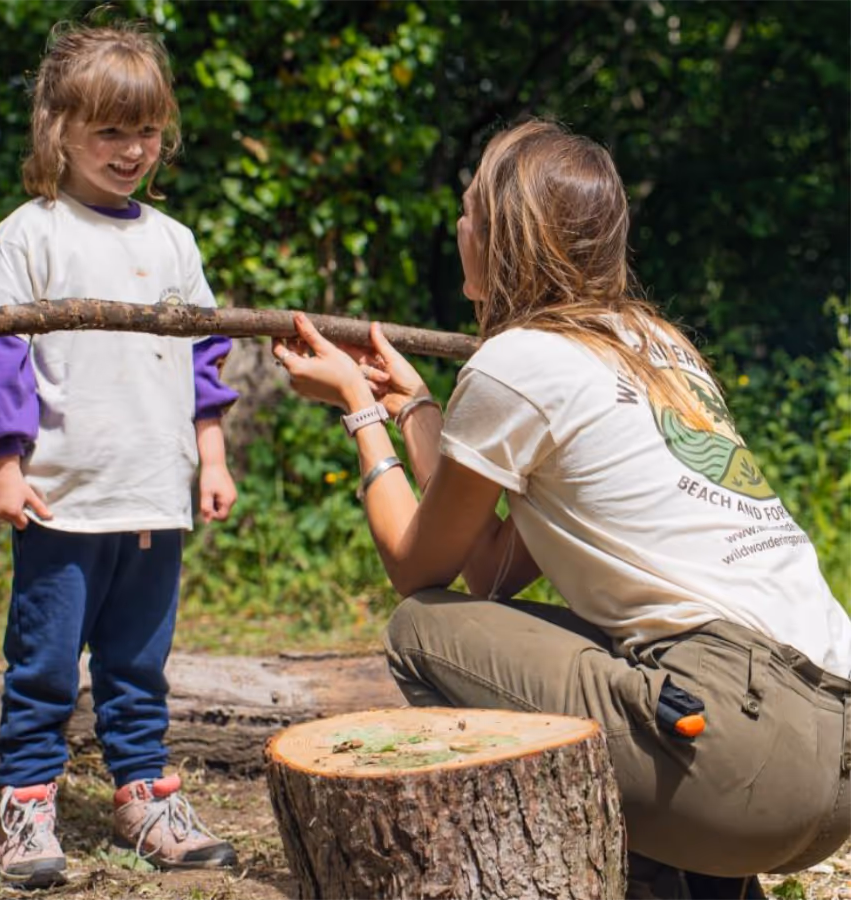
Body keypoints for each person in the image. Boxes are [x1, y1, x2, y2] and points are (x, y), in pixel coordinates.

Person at [272, 119, 851, 900]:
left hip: (742, 755)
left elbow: (419, 570)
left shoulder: (518, 361)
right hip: (829, 752)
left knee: (419, 631)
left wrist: (356, 409)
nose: (459, 225)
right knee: (609, 657)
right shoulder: (655, 346)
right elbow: (494, 569)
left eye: (472, 208)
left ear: (508, 235)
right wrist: (417, 409)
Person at [0, 19, 240, 887]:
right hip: (63, 499)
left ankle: (145, 795)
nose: (131, 150)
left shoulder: (174, 244)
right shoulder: (30, 235)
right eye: (109, 130)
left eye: (145, 130)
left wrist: (212, 456)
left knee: (138, 665)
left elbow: (205, 360)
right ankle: (29, 803)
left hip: (153, 497)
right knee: (43, 666)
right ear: (59, 129)